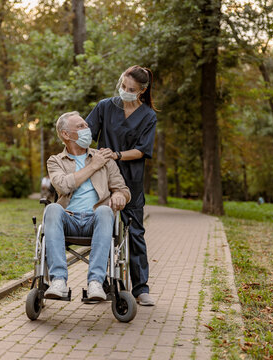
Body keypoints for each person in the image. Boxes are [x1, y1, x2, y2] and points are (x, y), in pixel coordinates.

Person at [85, 65, 157, 306]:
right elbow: (87, 134)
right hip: (103, 178)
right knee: (103, 227)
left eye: (131, 89)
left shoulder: (148, 116)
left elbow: (142, 150)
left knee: (134, 231)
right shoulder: (105, 106)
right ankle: (101, 284)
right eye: (124, 86)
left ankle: (141, 288)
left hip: (132, 179)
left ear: (142, 91)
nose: (125, 91)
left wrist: (117, 155)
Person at [44, 111, 131, 301]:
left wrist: (119, 195)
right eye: (81, 126)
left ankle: (96, 283)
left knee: (105, 210)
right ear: (66, 134)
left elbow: (123, 189)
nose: (87, 129)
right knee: (52, 209)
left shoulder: (104, 157)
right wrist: (93, 166)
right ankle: (58, 280)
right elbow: (63, 185)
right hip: (69, 218)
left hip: (97, 219)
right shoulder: (55, 161)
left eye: (86, 125)